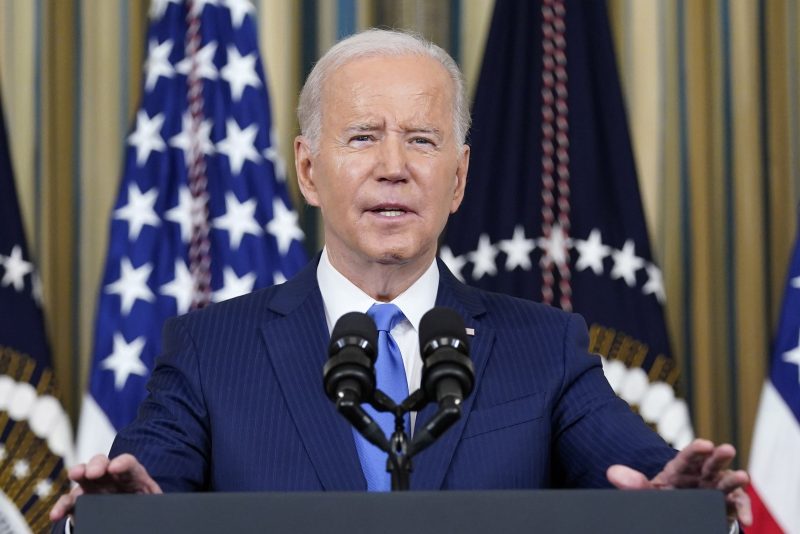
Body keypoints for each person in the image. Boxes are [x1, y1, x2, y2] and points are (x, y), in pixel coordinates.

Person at [51, 28, 751, 528]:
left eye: (422, 139)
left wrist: (679, 500)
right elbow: (139, 495)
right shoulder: (211, 349)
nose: (394, 166)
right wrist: (104, 522)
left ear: (459, 177)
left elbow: (641, 472)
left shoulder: (545, 346)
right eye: (362, 137)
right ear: (307, 171)